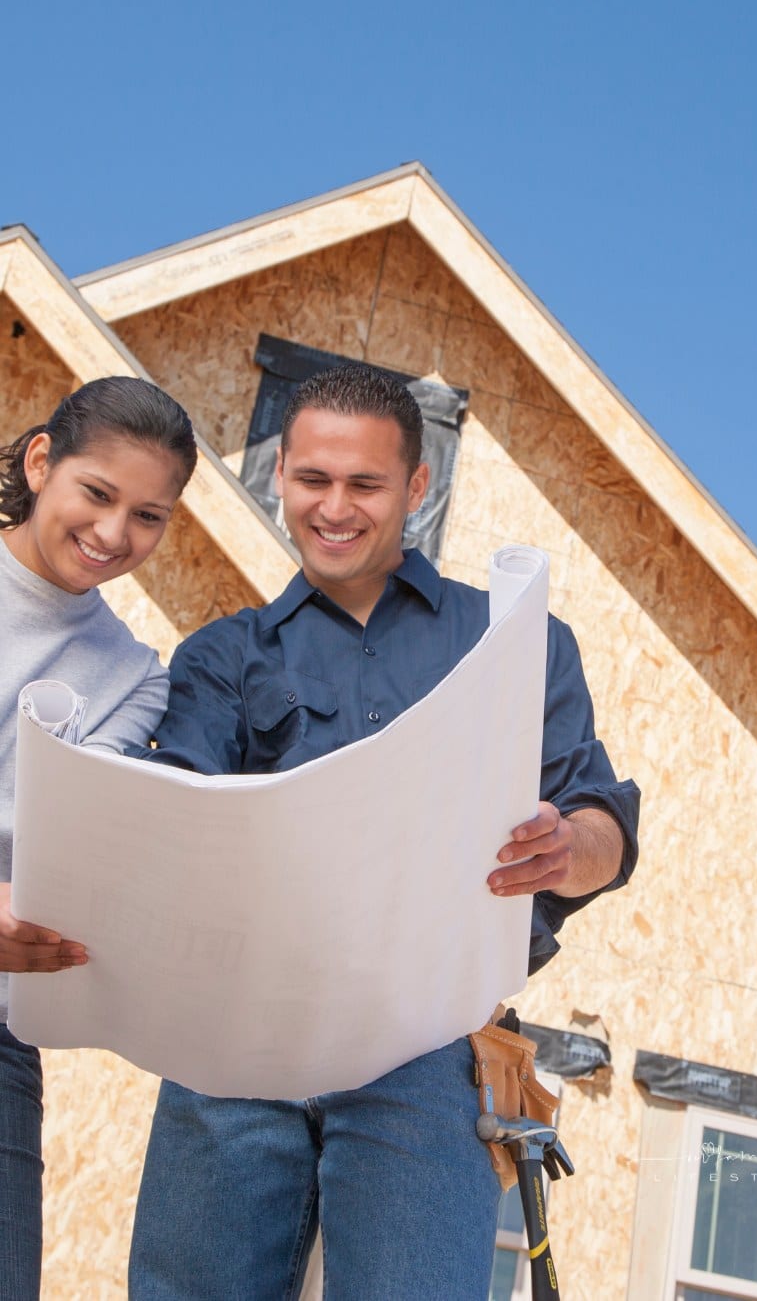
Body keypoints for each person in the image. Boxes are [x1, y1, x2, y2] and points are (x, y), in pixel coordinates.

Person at [129, 363, 639, 1301]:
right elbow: (176, 821)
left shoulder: (512, 644)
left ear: (417, 486)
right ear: (280, 473)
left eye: (364, 484)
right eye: (313, 479)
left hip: (429, 1045)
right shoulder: (222, 655)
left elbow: (602, 817)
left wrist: (571, 846)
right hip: (239, 1037)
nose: (335, 507)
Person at [0, 376, 197, 1300]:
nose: (117, 535)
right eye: (98, 494)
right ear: (42, 463)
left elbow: (67, 845)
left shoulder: (134, 679)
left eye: (149, 515)